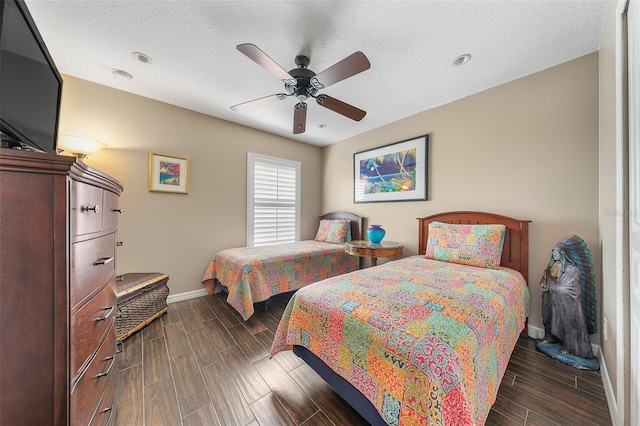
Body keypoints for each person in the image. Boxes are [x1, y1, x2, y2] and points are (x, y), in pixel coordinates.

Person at [538, 239, 595, 360]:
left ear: (563, 255)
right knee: (548, 316)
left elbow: (572, 287)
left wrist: (556, 289)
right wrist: (545, 284)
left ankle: (570, 346)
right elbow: (547, 280)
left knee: (568, 322)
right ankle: (550, 337)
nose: (554, 255)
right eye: (553, 252)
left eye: (557, 253)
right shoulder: (551, 266)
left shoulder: (572, 269)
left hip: (566, 301)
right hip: (551, 298)